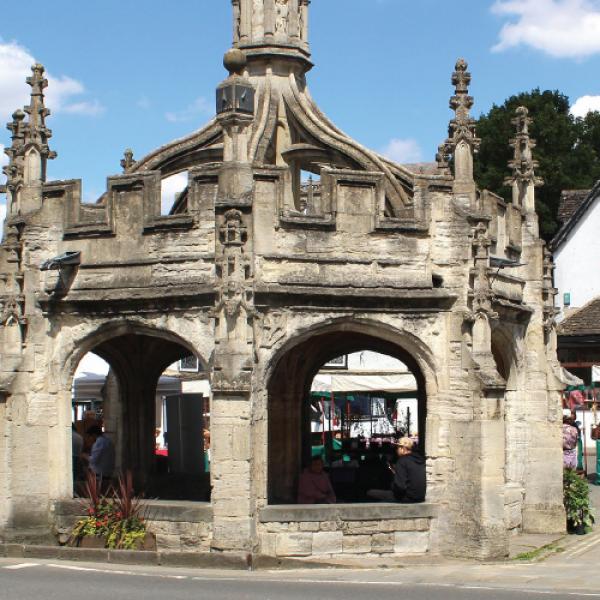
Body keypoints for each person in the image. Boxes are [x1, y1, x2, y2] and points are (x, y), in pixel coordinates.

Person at [367, 437, 426, 503]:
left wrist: (393, 483)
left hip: (407, 497)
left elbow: (400, 487)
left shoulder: (402, 461)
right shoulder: (420, 460)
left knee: (370, 492)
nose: (396, 450)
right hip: (420, 497)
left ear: (402, 448)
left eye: (397, 448)